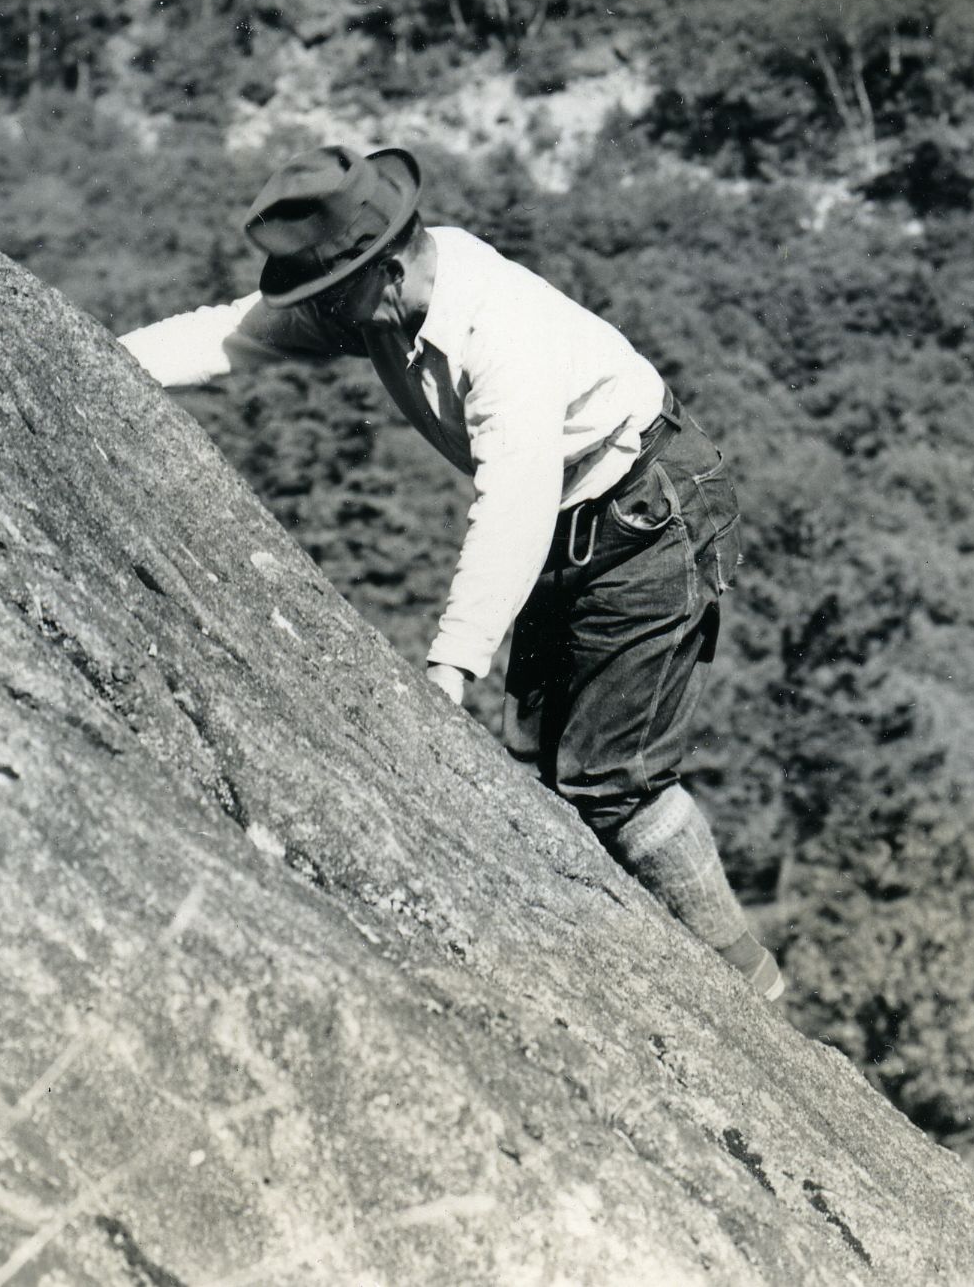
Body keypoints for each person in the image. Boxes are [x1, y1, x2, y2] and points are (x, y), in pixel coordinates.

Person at [119, 144, 782, 1000]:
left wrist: (451, 663)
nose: (319, 314)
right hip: (573, 519)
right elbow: (229, 334)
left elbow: (513, 500)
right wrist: (73, 345)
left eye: (329, 294)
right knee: (541, 770)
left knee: (612, 779)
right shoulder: (376, 301)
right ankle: (642, 976)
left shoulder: (497, 329)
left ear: (387, 270)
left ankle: (749, 988)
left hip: (647, 511)